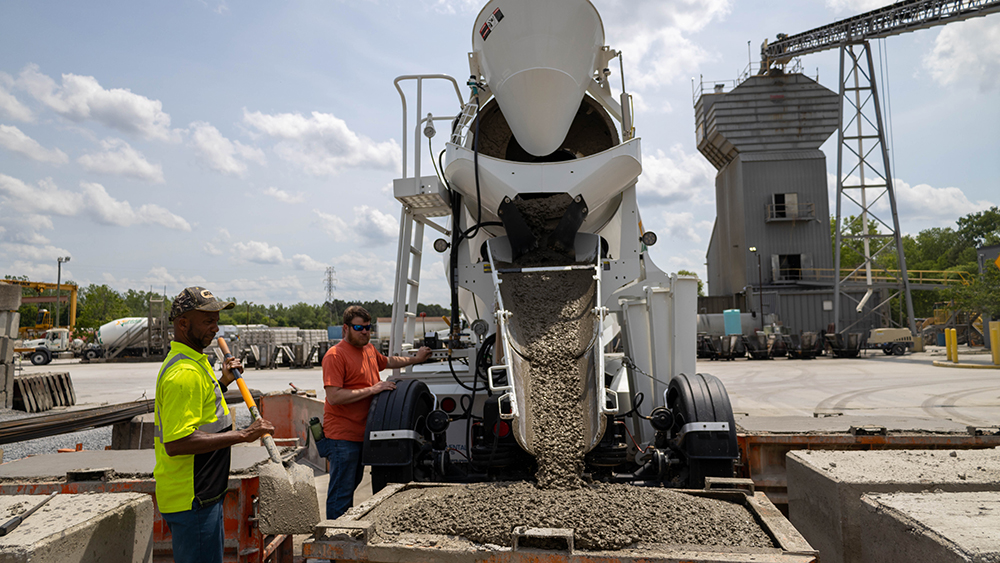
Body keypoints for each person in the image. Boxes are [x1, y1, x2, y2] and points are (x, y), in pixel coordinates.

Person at [153, 286, 274, 563]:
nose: (215, 329)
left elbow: (202, 413)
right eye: (208, 321)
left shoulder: (196, 362)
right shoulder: (183, 373)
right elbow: (176, 443)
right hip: (192, 498)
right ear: (183, 324)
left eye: (216, 320)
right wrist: (245, 434)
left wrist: (223, 382)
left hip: (203, 493)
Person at [318, 305, 432, 519]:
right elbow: (334, 396)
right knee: (341, 492)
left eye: (367, 328)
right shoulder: (335, 356)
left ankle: (343, 532)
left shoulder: (368, 350)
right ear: (346, 328)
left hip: (364, 434)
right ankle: (334, 540)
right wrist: (373, 389)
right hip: (342, 437)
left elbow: (388, 361)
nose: (364, 332)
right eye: (359, 327)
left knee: (351, 484)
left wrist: (415, 359)